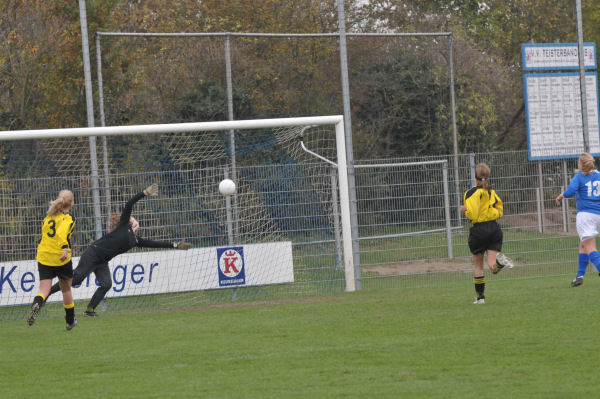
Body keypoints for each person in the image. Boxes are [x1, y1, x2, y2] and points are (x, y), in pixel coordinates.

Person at [45, 183, 191, 316]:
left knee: (107, 284)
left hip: (102, 261)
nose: (134, 220)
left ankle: (89, 310)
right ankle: (47, 293)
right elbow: (129, 204)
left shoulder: (135, 241)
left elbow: (155, 244)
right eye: (133, 219)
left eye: (135, 220)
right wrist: (144, 193)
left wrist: (175, 245)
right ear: (130, 222)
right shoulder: (123, 226)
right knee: (77, 279)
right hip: (93, 253)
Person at [461, 163, 511, 304]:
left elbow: (473, 214)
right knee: (492, 266)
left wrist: (465, 211)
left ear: (474, 178)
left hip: (479, 230)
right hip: (494, 228)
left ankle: (480, 298)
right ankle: (499, 264)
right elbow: (500, 209)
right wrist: (492, 214)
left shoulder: (470, 193)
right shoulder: (491, 191)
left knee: (478, 266)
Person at [28, 189, 78, 330]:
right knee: (66, 290)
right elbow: (62, 234)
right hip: (61, 258)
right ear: (71, 203)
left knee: (44, 290)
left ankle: (36, 304)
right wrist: (63, 248)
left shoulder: (48, 217)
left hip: (44, 257)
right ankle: (70, 321)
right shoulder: (69, 219)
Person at [555, 152, 600, 287]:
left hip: (586, 216)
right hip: (598, 215)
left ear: (582, 164)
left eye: (579, 163)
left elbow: (571, 191)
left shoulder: (579, 177)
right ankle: (579, 276)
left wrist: (561, 195)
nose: (578, 165)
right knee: (583, 245)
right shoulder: (599, 176)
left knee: (589, 246)